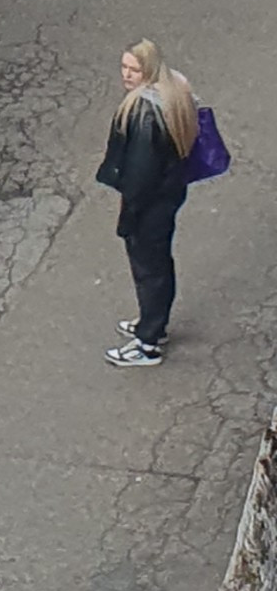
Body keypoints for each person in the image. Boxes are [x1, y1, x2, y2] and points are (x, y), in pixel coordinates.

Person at [97, 40, 198, 365]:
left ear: (148, 71)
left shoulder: (143, 114)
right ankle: (154, 324)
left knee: (149, 269)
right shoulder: (174, 92)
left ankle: (147, 342)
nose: (127, 75)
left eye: (134, 69)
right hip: (169, 193)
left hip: (150, 204)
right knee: (159, 264)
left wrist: (128, 218)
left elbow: (139, 177)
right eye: (124, 67)